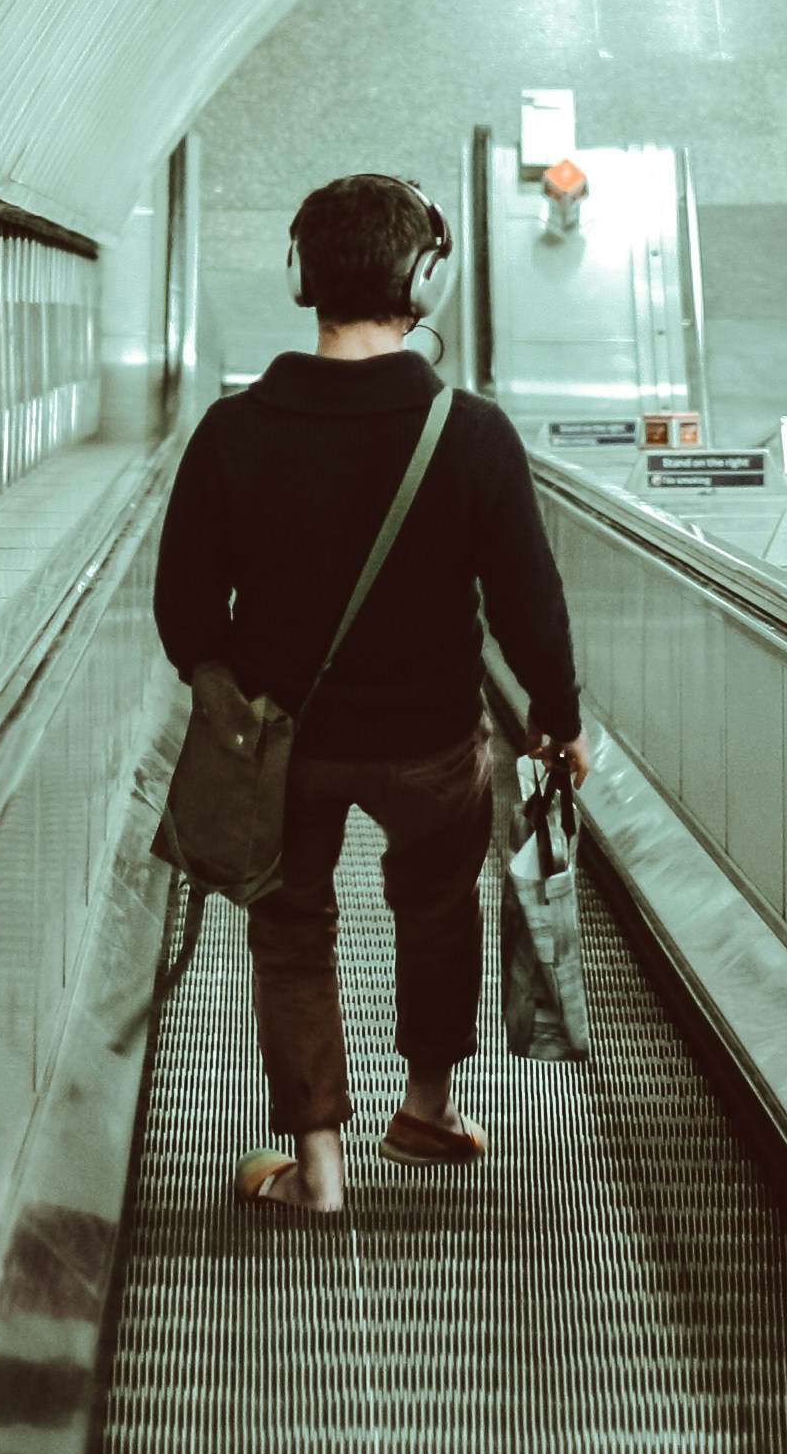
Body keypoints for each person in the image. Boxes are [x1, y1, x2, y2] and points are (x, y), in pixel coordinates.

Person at [152, 174, 587, 1215]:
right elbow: (530, 601)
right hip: (433, 740)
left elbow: (182, 606)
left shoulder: (233, 429)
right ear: (425, 280)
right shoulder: (471, 432)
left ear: (302, 274)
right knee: (437, 909)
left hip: (282, 744)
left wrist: (230, 697)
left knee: (291, 932)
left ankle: (317, 1171)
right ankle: (426, 1111)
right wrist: (557, 720)